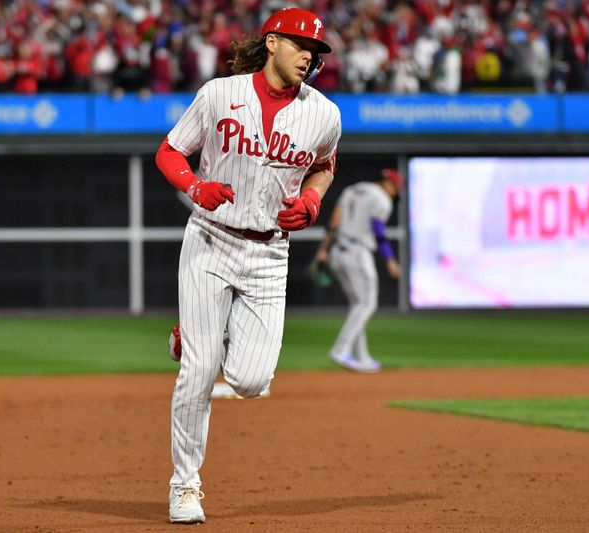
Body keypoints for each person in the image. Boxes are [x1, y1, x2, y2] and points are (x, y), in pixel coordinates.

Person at [155, 7, 341, 524]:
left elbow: (325, 165)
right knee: (197, 372)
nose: (310, 56)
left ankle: (188, 334)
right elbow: (170, 151)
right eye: (302, 46)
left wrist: (313, 199)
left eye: (317, 51)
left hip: (269, 251)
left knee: (251, 380)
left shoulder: (323, 112)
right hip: (211, 240)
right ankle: (185, 487)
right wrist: (194, 186)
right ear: (273, 42)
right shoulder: (219, 94)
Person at [313, 168, 404, 373]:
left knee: (358, 305)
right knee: (367, 304)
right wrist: (390, 259)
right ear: (389, 185)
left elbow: (334, 221)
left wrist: (323, 250)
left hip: (338, 251)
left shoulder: (352, 190)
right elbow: (378, 230)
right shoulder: (382, 199)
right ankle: (340, 349)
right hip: (357, 253)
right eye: (395, 189)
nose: (394, 193)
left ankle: (362, 357)